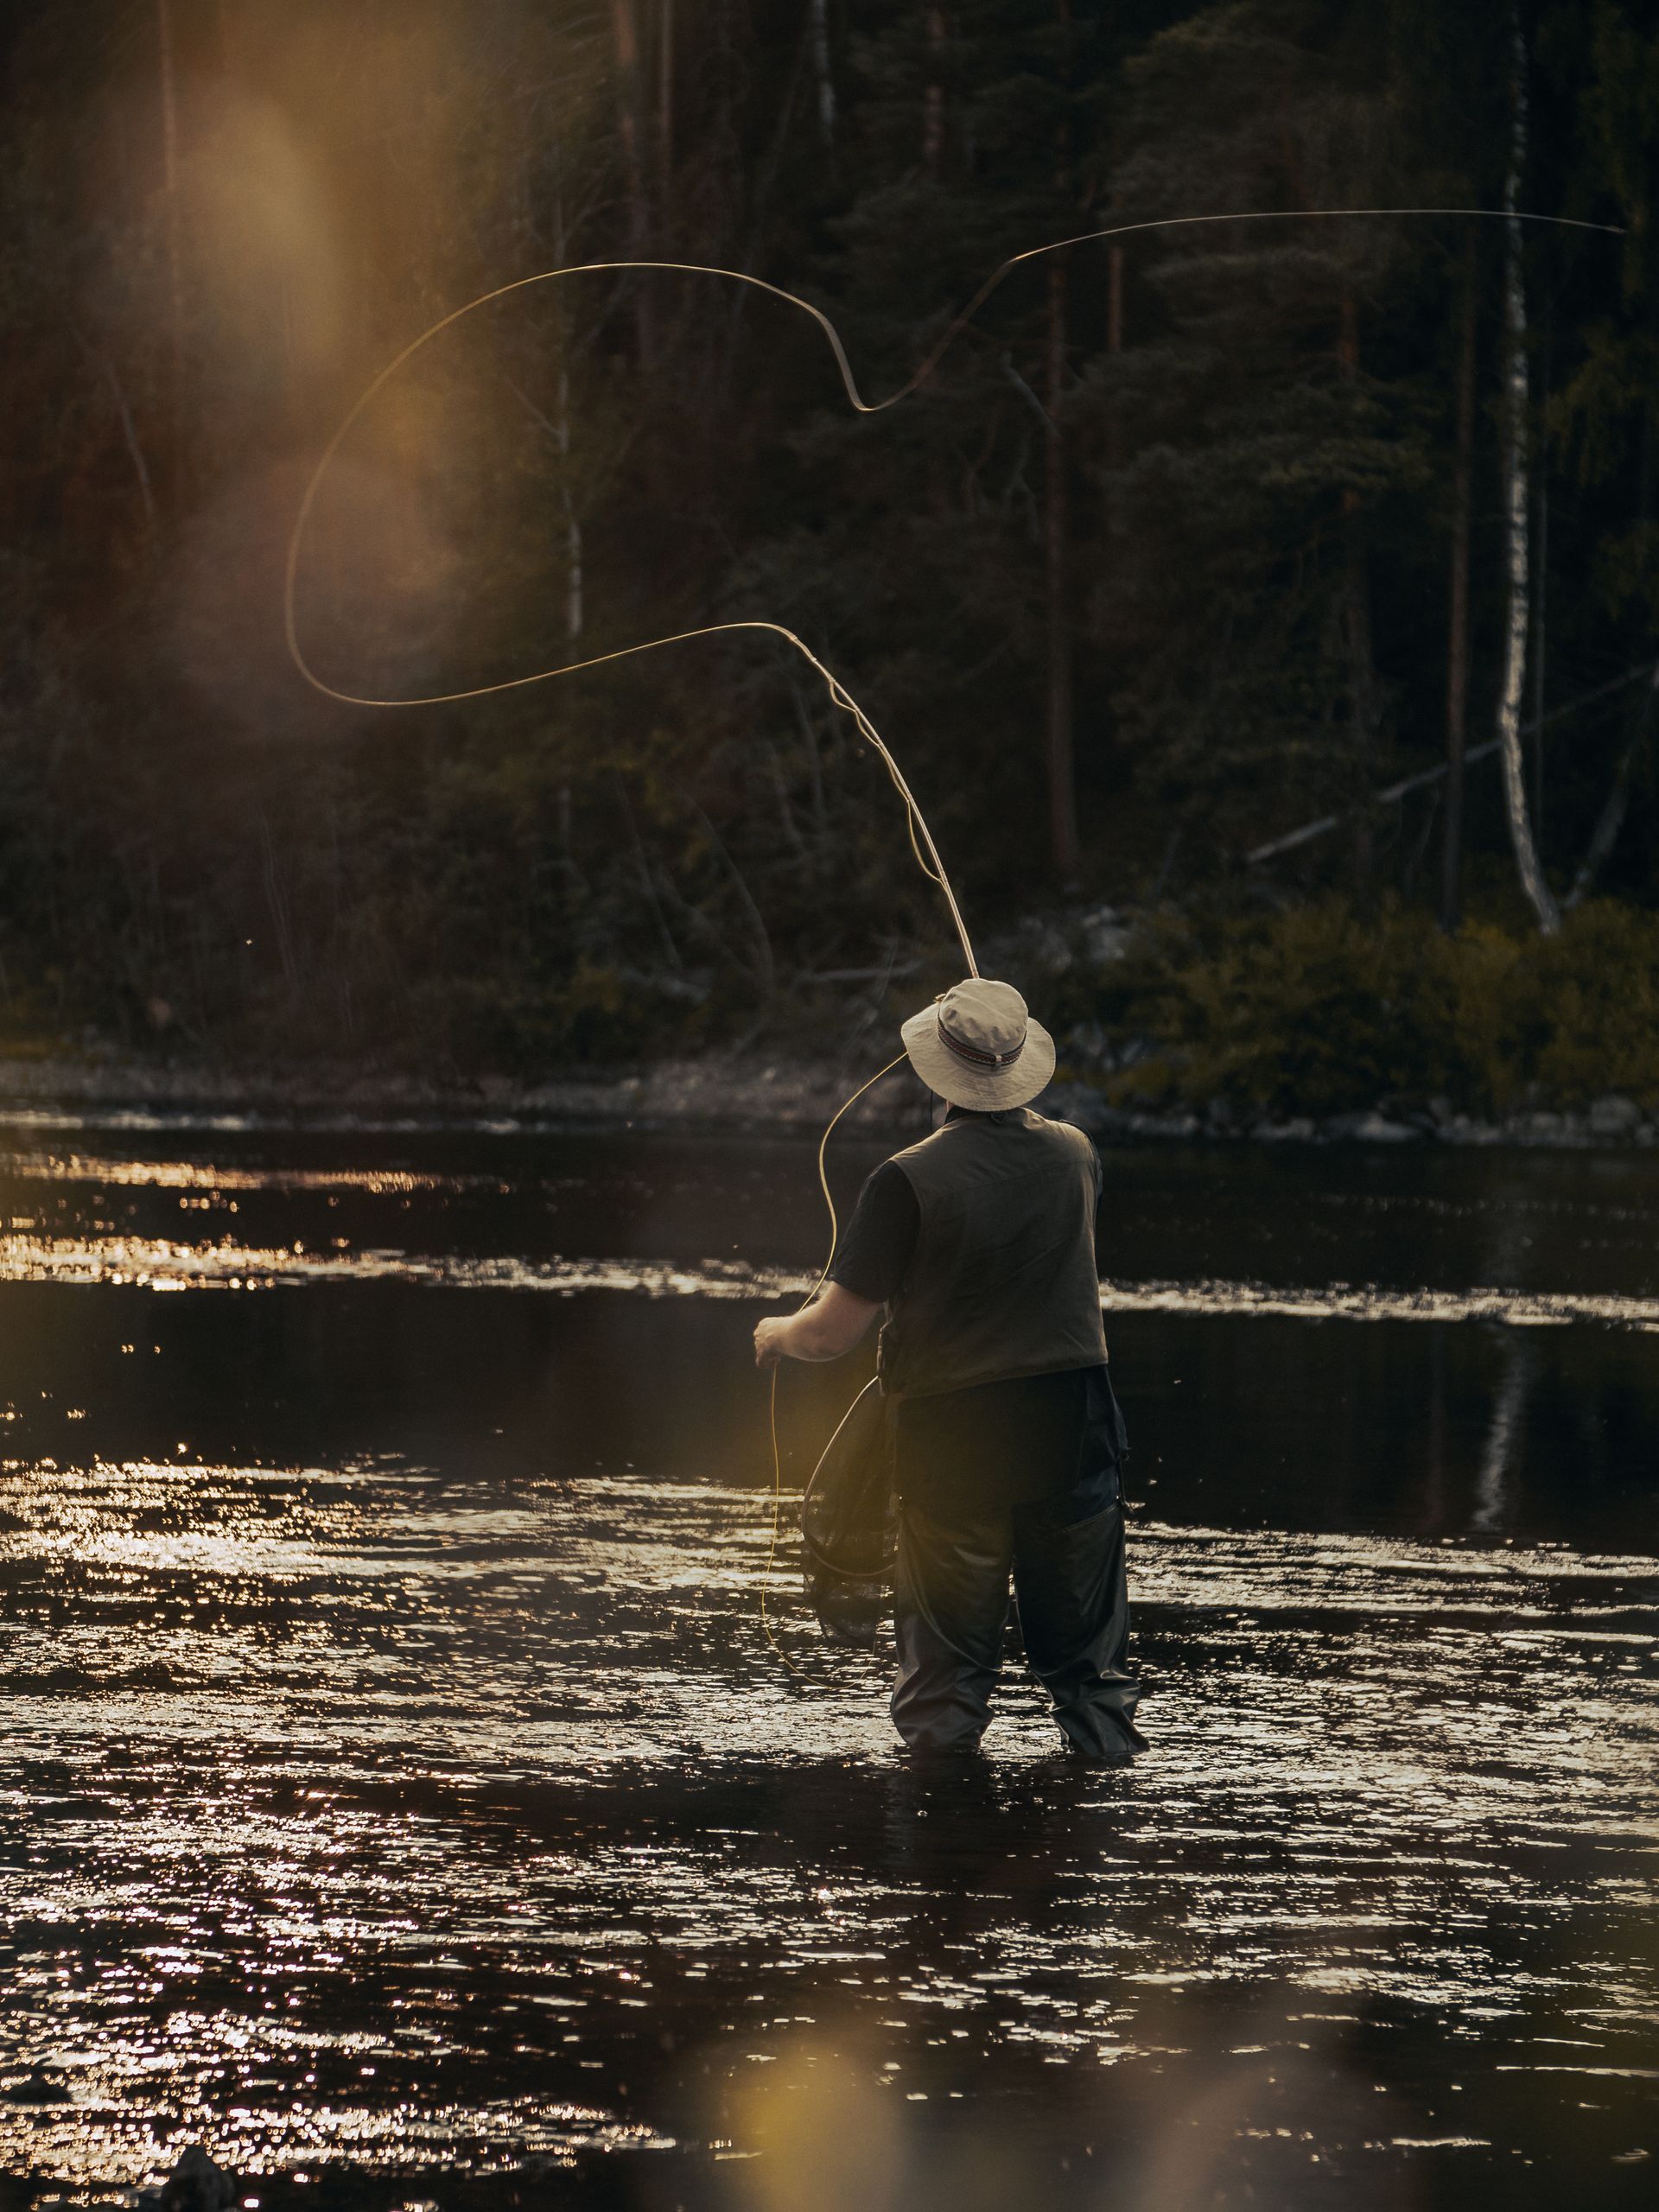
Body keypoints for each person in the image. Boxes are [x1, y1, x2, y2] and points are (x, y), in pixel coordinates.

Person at [753, 976, 1145, 1763]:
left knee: (946, 1689)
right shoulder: (1076, 1155)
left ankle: (942, 1859)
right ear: (1021, 1062)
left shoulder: (905, 1179)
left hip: (955, 1447)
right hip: (1075, 1433)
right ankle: (1103, 1847)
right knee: (1091, 1679)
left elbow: (831, 1336)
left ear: (935, 1070)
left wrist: (775, 1332)